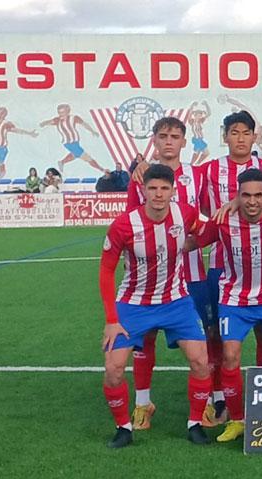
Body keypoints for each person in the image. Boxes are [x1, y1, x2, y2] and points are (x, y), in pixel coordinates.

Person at [98, 164, 212, 448]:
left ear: (173, 190)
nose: (158, 194)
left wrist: (193, 244)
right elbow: (105, 272)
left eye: (164, 188)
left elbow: (210, 230)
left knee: (200, 361)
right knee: (113, 369)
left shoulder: (185, 213)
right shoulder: (124, 225)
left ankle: (195, 423)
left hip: (176, 301)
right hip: (133, 304)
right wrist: (112, 319)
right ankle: (123, 428)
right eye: (153, 188)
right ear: (143, 190)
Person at [193, 168, 262, 443]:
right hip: (234, 300)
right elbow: (194, 241)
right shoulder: (223, 221)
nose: (252, 201)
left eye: (258, 195)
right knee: (230, 355)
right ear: (236, 197)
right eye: (245, 196)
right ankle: (238, 419)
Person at [125, 117, 215, 430]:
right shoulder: (140, 177)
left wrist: (190, 244)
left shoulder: (198, 174)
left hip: (191, 274)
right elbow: (129, 223)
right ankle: (142, 404)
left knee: (205, 339)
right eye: (162, 136)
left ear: (183, 141)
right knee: (143, 341)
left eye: (174, 136)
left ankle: (206, 403)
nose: (168, 142)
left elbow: (205, 221)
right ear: (154, 139)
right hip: (149, 279)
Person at [198, 111, 262, 374]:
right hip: (221, 264)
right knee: (216, 333)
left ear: (254, 136)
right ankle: (219, 397)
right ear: (225, 137)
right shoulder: (209, 169)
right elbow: (180, 180)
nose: (241, 139)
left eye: (246, 133)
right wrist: (141, 166)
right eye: (234, 133)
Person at [38, 104, 104, 173]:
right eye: (59, 112)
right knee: (87, 158)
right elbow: (47, 122)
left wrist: (92, 131)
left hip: (76, 142)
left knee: (75, 155)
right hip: (68, 143)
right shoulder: (57, 120)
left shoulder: (74, 118)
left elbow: (84, 124)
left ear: (68, 111)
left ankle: (62, 162)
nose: (61, 114)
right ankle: (101, 169)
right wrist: (43, 124)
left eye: (63, 112)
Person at [188, 101, 211, 165]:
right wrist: (192, 106)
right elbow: (189, 115)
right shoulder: (192, 122)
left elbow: (209, 114)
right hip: (197, 139)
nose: (199, 116)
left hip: (200, 139)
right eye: (198, 115)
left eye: (200, 115)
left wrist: (206, 104)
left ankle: (196, 163)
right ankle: (192, 163)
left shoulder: (201, 121)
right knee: (198, 152)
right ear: (195, 116)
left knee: (205, 153)